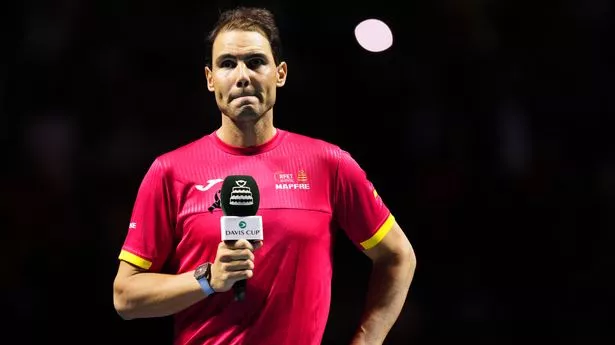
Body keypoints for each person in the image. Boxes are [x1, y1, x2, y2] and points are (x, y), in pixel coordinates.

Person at [112, 6, 416, 345]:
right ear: (210, 79)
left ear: (280, 73)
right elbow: (126, 297)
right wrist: (208, 277)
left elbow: (398, 255)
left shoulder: (328, 163)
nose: (242, 75)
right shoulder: (170, 171)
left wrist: (367, 339)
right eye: (227, 63)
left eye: (256, 62)